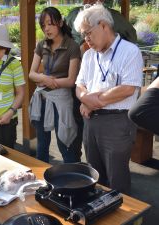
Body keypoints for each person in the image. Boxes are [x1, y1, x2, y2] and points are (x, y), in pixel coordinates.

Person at [74, 4, 143, 194]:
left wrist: (92, 101)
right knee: (94, 175)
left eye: (88, 33)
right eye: (83, 35)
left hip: (117, 122)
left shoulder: (130, 51)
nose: (86, 39)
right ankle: (100, 215)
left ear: (104, 25)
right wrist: (85, 99)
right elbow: (79, 85)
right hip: (91, 122)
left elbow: (128, 88)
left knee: (116, 177)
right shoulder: (89, 55)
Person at [28, 7, 82, 163]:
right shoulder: (41, 45)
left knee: (64, 143)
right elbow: (31, 74)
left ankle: (72, 181)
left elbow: (71, 80)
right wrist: (45, 79)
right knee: (42, 144)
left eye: (50, 24)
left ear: (60, 22)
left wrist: (47, 80)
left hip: (62, 99)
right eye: (43, 25)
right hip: (42, 97)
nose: (47, 28)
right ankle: (41, 180)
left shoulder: (72, 46)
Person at [66, 0, 137, 50]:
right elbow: (132, 36)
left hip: (110, 54)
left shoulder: (114, 15)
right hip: (78, 58)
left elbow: (131, 36)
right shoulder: (74, 14)